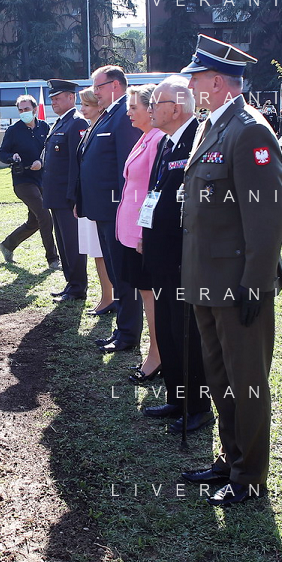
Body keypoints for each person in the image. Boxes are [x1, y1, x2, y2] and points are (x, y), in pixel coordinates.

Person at [178, 34, 282, 506]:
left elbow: (267, 216)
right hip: (206, 279)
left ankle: (250, 476)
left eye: (197, 78)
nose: (190, 86)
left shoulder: (249, 131)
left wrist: (255, 283)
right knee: (221, 379)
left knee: (246, 383)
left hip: (238, 284)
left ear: (219, 82)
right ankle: (230, 458)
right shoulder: (213, 125)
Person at [138, 77, 212, 433]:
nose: (151, 108)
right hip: (162, 253)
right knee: (167, 328)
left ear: (177, 108)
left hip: (183, 254)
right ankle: (176, 398)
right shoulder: (166, 141)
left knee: (188, 333)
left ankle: (197, 407)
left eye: (156, 102)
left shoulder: (197, 138)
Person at [76, 66, 143, 353]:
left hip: (116, 211)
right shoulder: (108, 115)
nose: (95, 92)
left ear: (115, 85)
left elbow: (125, 170)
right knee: (116, 275)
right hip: (103, 210)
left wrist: (124, 210)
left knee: (124, 277)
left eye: (98, 86)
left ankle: (128, 334)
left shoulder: (123, 116)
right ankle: (123, 329)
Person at [117, 83, 164, 379]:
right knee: (146, 294)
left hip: (142, 234)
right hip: (132, 231)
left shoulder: (157, 139)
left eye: (134, 107)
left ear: (151, 108)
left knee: (151, 297)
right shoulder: (145, 136)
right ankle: (155, 353)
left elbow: (154, 190)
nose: (129, 113)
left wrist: (146, 232)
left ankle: (156, 356)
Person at [42, 80, 89, 302]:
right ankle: (71, 284)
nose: (53, 102)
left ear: (71, 97)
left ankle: (78, 287)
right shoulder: (60, 122)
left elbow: (75, 164)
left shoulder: (76, 122)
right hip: (56, 195)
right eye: (52, 99)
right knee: (63, 243)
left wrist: (74, 196)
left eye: (57, 98)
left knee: (72, 244)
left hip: (67, 197)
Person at [0, 95, 57, 268]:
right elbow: (2, 154)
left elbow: (50, 151)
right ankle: (53, 258)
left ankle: (8, 245)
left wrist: (41, 162)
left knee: (34, 221)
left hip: (42, 179)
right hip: (22, 181)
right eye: (20, 110)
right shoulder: (13, 130)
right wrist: (12, 157)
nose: (23, 112)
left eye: (26, 109)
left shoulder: (44, 127)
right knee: (44, 216)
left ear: (35, 109)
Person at [75, 87, 114, 316]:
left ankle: (109, 298)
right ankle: (106, 296)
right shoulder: (90, 129)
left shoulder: (103, 127)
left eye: (87, 105)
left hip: (101, 202)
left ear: (99, 106)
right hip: (89, 200)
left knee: (102, 252)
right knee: (96, 252)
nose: (83, 110)